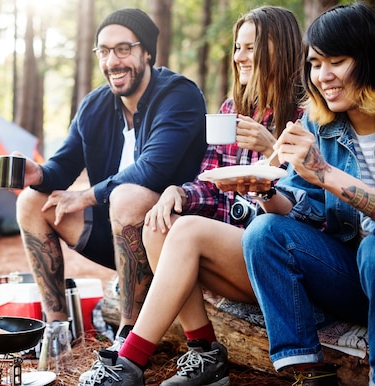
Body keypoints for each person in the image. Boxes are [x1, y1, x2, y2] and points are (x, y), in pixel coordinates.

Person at [78, 6, 305, 386]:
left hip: (284, 262)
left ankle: (129, 361)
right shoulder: (233, 111)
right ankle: (205, 355)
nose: (239, 57)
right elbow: (211, 179)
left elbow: (312, 212)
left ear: (280, 50)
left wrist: (272, 151)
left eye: (251, 47)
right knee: (159, 224)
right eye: (237, 47)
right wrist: (176, 192)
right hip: (237, 258)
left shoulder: (306, 116)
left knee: (186, 232)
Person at [15, 8, 207, 348]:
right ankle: (58, 329)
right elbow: (63, 167)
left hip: (171, 236)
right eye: (103, 51)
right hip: (117, 236)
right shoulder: (95, 106)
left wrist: (86, 196)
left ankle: (127, 334)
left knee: (128, 196)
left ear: (146, 51)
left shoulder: (179, 96)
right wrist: (38, 173)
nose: (112, 61)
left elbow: (153, 169)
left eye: (123, 49)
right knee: (31, 202)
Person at [241, 3, 375, 385]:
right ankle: (309, 373)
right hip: (349, 277)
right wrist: (266, 189)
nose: (323, 76)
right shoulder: (319, 125)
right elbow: (301, 211)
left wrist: (325, 172)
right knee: (264, 232)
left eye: (338, 60)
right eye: (316, 63)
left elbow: (324, 178)